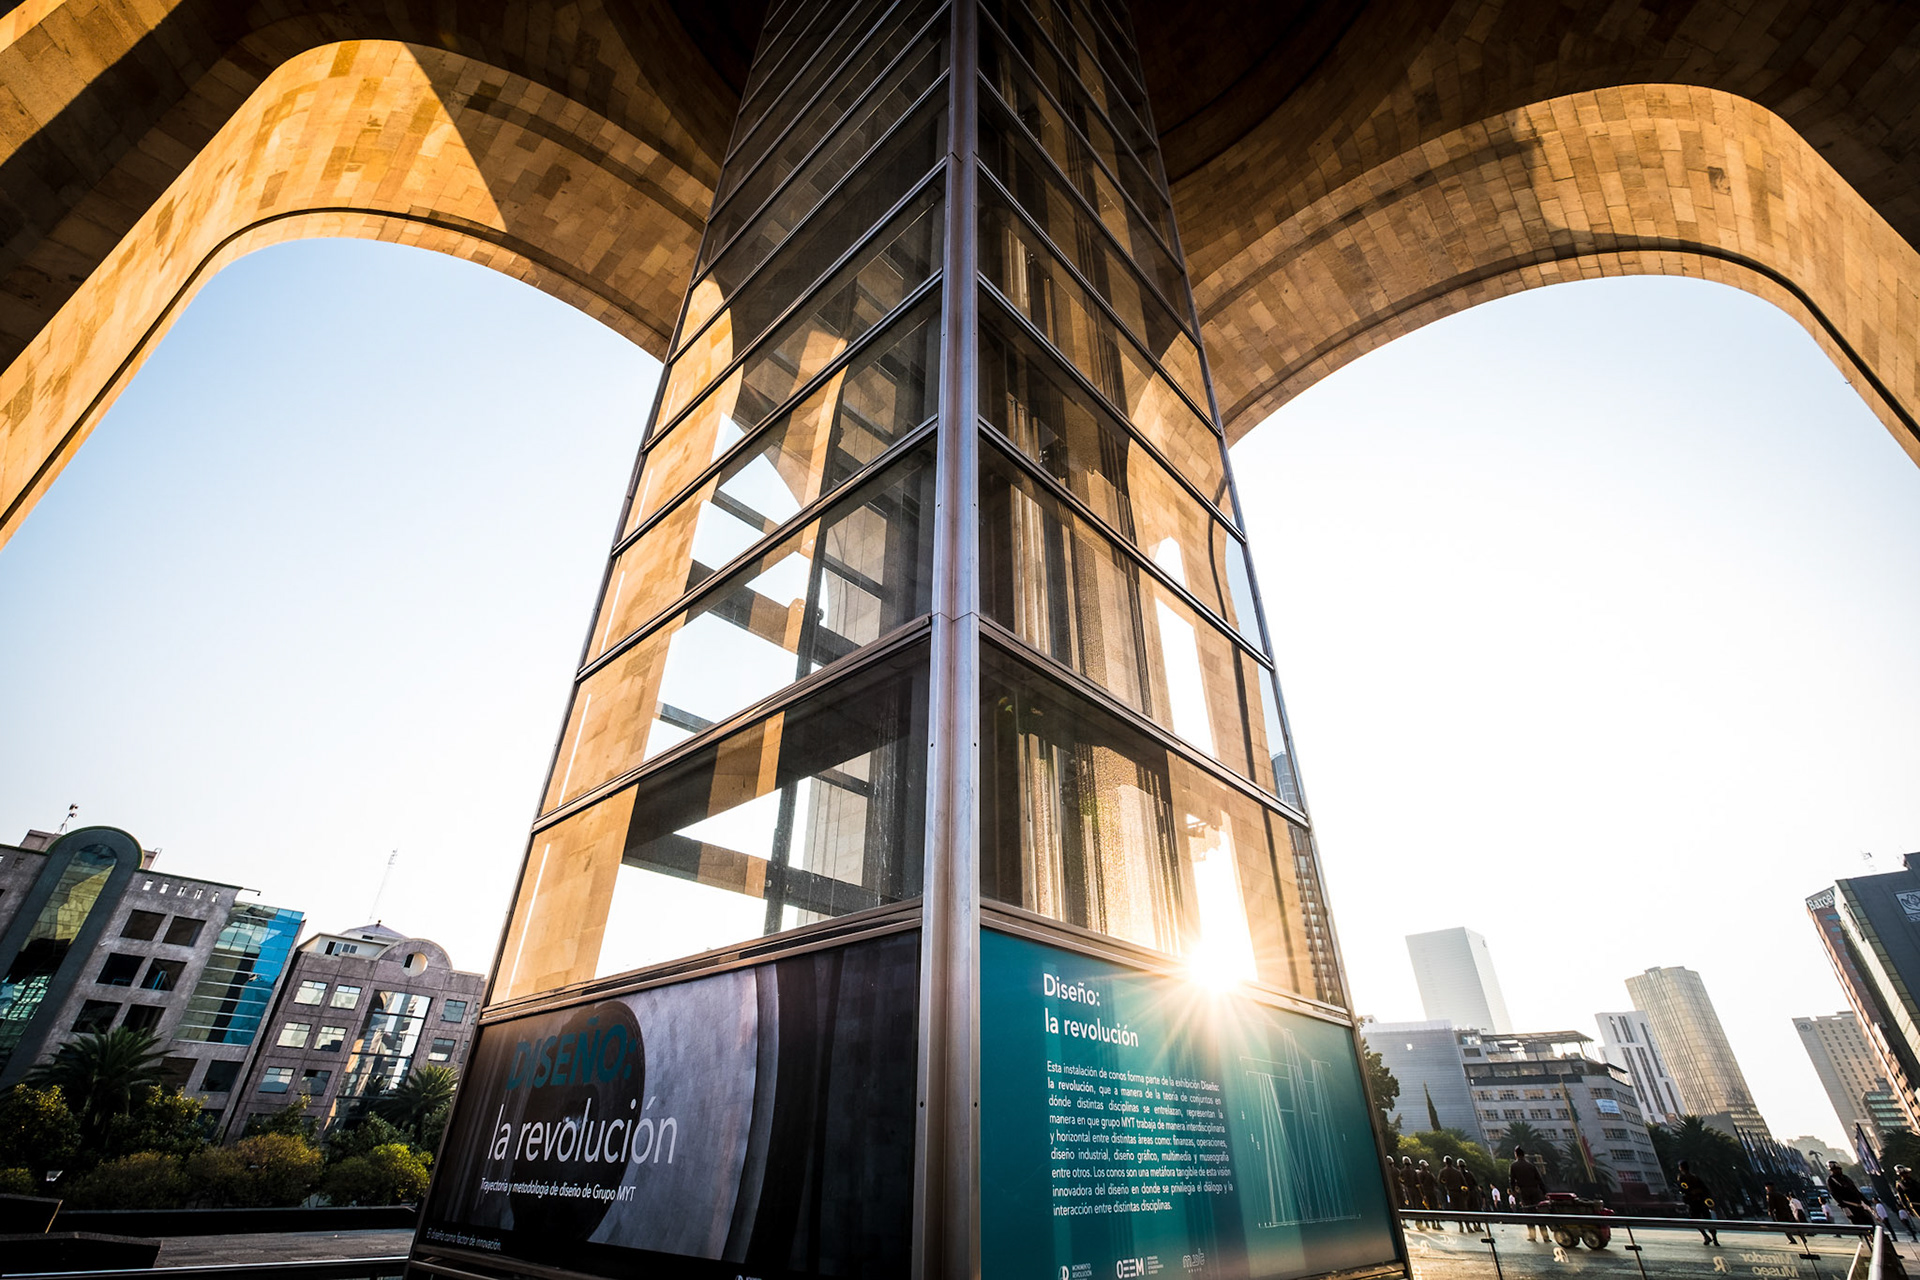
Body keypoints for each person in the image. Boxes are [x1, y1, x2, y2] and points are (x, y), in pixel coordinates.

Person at [1675, 1160, 1720, 1246]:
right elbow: (1705, 1189)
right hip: (1701, 1200)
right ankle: (1714, 1239)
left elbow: (1683, 1189)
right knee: (1708, 1219)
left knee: (1695, 1220)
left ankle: (1706, 1236)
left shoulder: (1681, 1178)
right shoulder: (1695, 1177)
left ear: (1680, 1167)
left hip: (1693, 1202)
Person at [1508, 1146, 1546, 1242]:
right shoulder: (1531, 1165)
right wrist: (1544, 1192)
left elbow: (1512, 1180)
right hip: (1535, 1190)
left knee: (1528, 1213)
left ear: (1516, 1154)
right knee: (1539, 1212)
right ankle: (1545, 1235)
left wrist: (1514, 1192)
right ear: (1524, 1155)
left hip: (1524, 1191)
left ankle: (1532, 1235)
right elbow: (1539, 1179)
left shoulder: (1514, 1166)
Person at [1826, 1161, 1875, 1227]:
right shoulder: (1831, 1180)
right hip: (1849, 1205)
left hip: (1859, 1204)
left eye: (1838, 1169)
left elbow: (1855, 1190)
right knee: (1859, 1225)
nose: (1838, 1171)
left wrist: (1866, 1201)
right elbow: (1834, 1194)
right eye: (1835, 1170)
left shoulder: (1846, 1178)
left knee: (1870, 1222)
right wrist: (1844, 1206)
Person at [1766, 1182, 1807, 1246]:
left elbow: (1771, 1205)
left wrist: (1771, 1214)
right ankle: (1801, 1237)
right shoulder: (1780, 1194)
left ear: (1768, 1187)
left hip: (1780, 1214)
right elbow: (1787, 1203)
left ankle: (1792, 1240)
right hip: (1787, 1212)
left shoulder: (1770, 1195)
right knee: (1792, 1226)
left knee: (1785, 1228)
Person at [1418, 1159, 1443, 1230]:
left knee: (1425, 1209)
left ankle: (1427, 1223)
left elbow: (1419, 1185)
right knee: (1434, 1208)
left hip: (1424, 1194)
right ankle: (1436, 1224)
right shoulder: (1430, 1174)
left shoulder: (1419, 1174)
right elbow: (1436, 1183)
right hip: (1432, 1193)